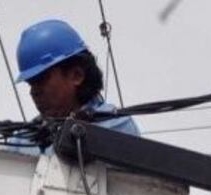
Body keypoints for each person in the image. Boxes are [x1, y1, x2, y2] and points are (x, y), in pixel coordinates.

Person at [8, 19, 138, 153]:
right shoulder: (22, 141)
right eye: (31, 83)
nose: (34, 92)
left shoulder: (114, 127)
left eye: (41, 80)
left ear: (77, 75)